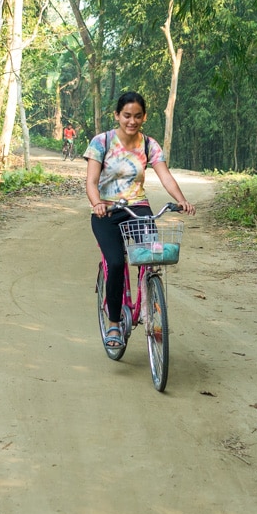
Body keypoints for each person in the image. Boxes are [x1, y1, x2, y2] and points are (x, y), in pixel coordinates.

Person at [85, 91, 196, 349]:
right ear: (117, 115)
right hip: (107, 212)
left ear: (144, 117)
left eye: (137, 116)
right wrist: (97, 203)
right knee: (114, 262)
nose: (131, 121)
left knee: (152, 255)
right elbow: (91, 182)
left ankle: (149, 309)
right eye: (126, 116)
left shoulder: (149, 144)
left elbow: (166, 176)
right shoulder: (101, 142)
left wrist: (182, 199)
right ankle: (114, 322)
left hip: (138, 208)